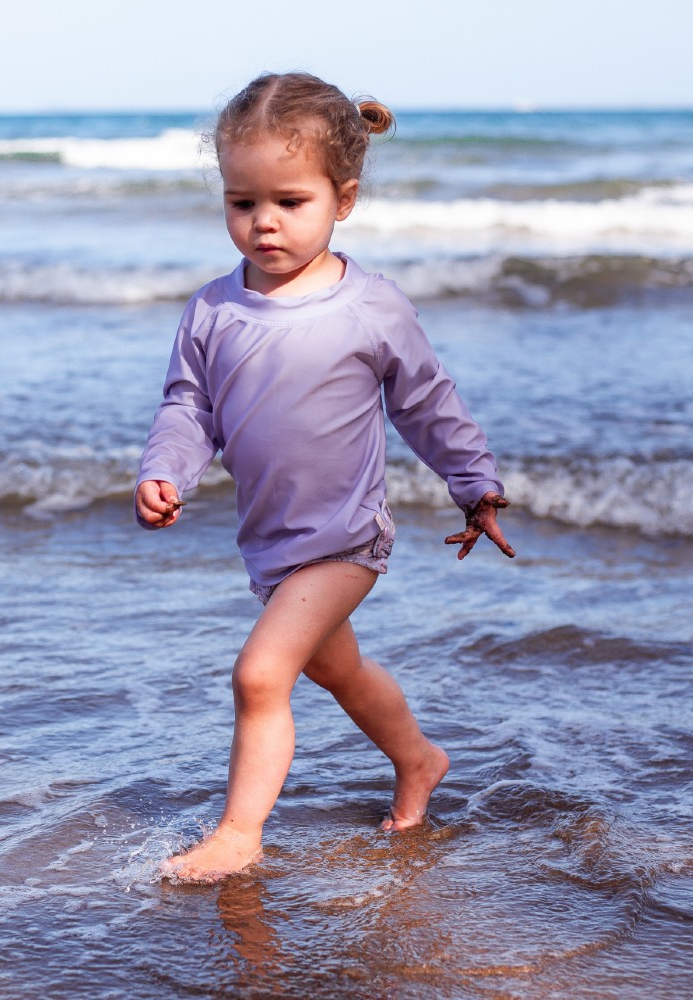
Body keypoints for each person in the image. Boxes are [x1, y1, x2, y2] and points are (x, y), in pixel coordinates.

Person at [135, 72, 514, 883]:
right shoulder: (211, 310)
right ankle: (419, 759)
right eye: (243, 203)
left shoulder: (369, 306)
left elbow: (428, 403)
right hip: (271, 542)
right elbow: (188, 407)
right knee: (337, 669)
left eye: (290, 202)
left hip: (346, 537)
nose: (263, 222)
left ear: (343, 200)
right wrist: (166, 468)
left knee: (260, 673)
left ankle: (240, 833)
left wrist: (474, 484)